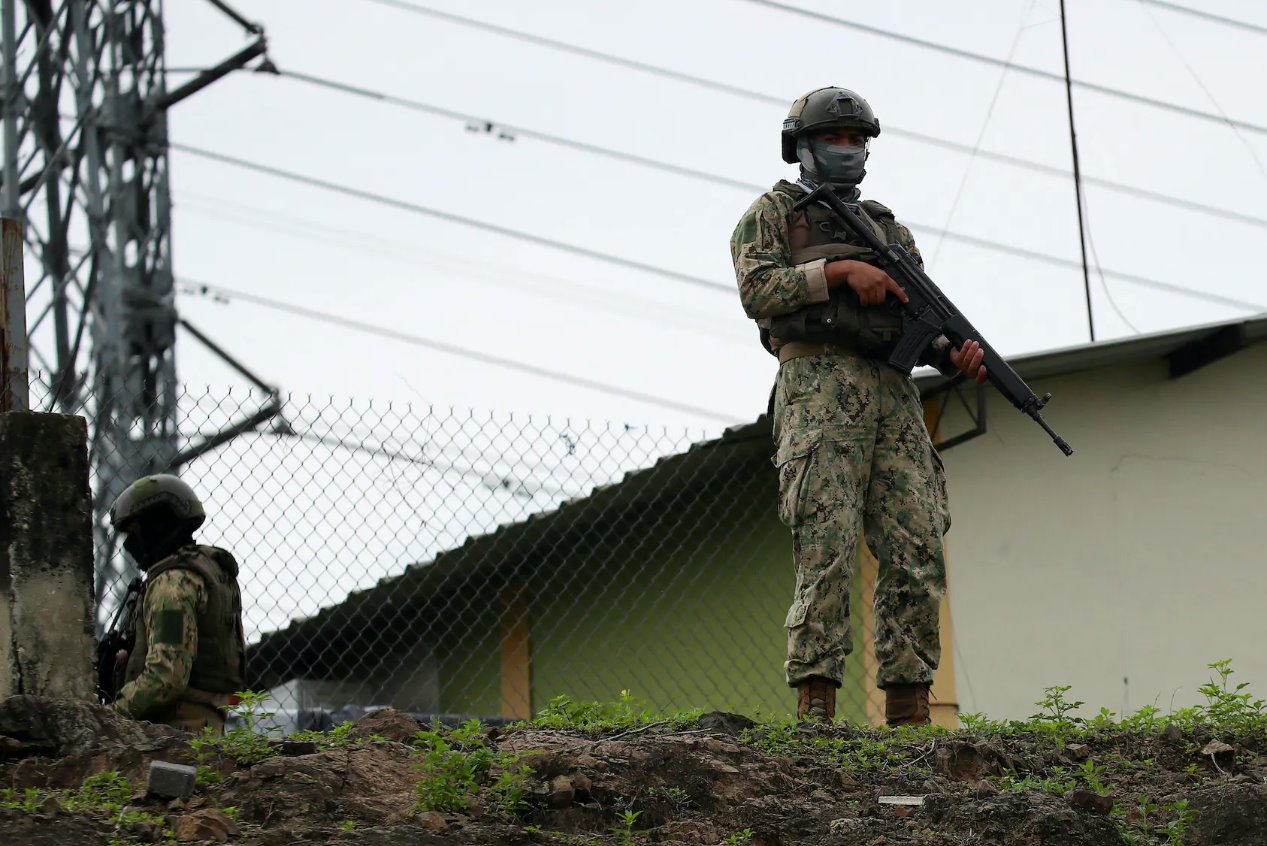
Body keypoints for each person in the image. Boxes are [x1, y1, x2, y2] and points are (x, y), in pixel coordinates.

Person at [729, 86, 986, 726]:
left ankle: (908, 707)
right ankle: (817, 704)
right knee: (828, 543)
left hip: (892, 394)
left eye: (856, 141)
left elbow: (918, 317)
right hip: (818, 386)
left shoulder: (886, 227)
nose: (846, 151)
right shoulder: (772, 213)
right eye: (833, 140)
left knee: (917, 539)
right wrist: (840, 274)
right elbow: (759, 290)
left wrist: (954, 355)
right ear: (803, 147)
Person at [105, 474, 247, 733]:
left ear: (155, 525)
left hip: (175, 734)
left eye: (134, 532)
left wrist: (108, 718)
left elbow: (166, 676)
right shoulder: (207, 571)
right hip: (200, 730)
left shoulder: (172, 585)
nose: (129, 544)